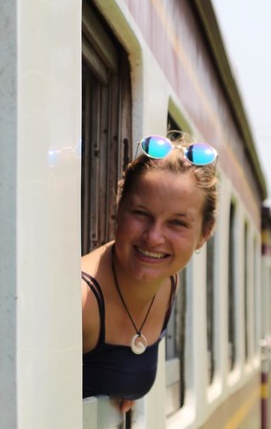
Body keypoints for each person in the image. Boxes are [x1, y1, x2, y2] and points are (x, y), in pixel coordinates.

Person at [81, 133, 218, 413]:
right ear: (119, 209)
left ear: (205, 233)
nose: (154, 238)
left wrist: (118, 385)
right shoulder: (80, 302)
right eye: (142, 214)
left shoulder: (167, 282)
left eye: (177, 223)